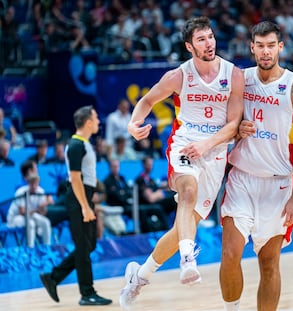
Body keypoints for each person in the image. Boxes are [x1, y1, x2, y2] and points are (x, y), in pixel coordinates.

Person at [119, 16, 244, 309]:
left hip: (213, 154)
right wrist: (133, 124)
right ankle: (189, 258)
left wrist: (208, 144)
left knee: (180, 229)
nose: (209, 43)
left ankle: (139, 277)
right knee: (186, 193)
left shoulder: (233, 74)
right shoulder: (179, 76)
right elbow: (147, 101)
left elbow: (233, 124)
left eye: (210, 37)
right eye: (201, 39)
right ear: (190, 46)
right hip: (184, 144)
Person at [219, 21, 293, 311]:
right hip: (242, 178)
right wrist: (236, 130)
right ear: (251, 47)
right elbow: (222, 125)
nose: (265, 51)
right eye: (259, 45)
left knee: (269, 263)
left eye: (271, 45)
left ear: (280, 47)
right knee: (229, 253)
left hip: (279, 184)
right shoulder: (239, 79)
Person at [39, 105, 112, 306]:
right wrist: (85, 207)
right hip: (78, 199)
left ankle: (53, 277)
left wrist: (89, 203)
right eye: (96, 118)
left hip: (84, 197)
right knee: (83, 247)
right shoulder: (76, 144)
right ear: (88, 122)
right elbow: (75, 178)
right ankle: (87, 293)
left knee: (89, 245)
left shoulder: (84, 143)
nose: (98, 121)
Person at [7, 173, 54, 248]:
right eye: (32, 184)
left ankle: (47, 247)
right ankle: (30, 248)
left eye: (36, 183)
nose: (34, 186)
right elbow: (22, 212)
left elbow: (43, 213)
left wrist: (46, 203)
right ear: (28, 183)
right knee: (31, 224)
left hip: (32, 215)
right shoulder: (20, 192)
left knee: (45, 222)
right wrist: (38, 209)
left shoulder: (40, 191)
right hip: (16, 217)